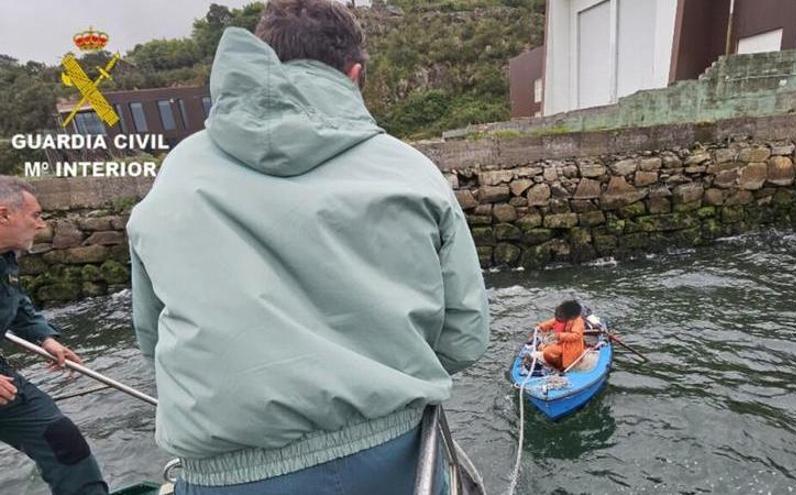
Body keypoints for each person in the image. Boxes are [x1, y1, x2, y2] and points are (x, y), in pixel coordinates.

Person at [126, 1, 490, 493]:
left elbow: (152, 338)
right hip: (395, 460)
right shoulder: (410, 170)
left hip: (228, 477)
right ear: (354, 74)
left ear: (262, 58)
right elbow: (464, 337)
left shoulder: (174, 176)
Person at [0, 176, 108, 495]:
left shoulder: (6, 258)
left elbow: (14, 301)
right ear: (4, 215)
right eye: (35, 215)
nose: (42, 225)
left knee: (62, 440)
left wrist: (44, 337)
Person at [533, 300, 587, 371]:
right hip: (560, 342)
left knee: (548, 352)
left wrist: (559, 335)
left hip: (571, 346)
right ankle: (551, 361)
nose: (557, 318)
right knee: (541, 347)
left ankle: (559, 366)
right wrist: (540, 327)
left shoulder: (578, 321)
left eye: (559, 316)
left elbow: (576, 335)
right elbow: (551, 322)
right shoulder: (561, 318)